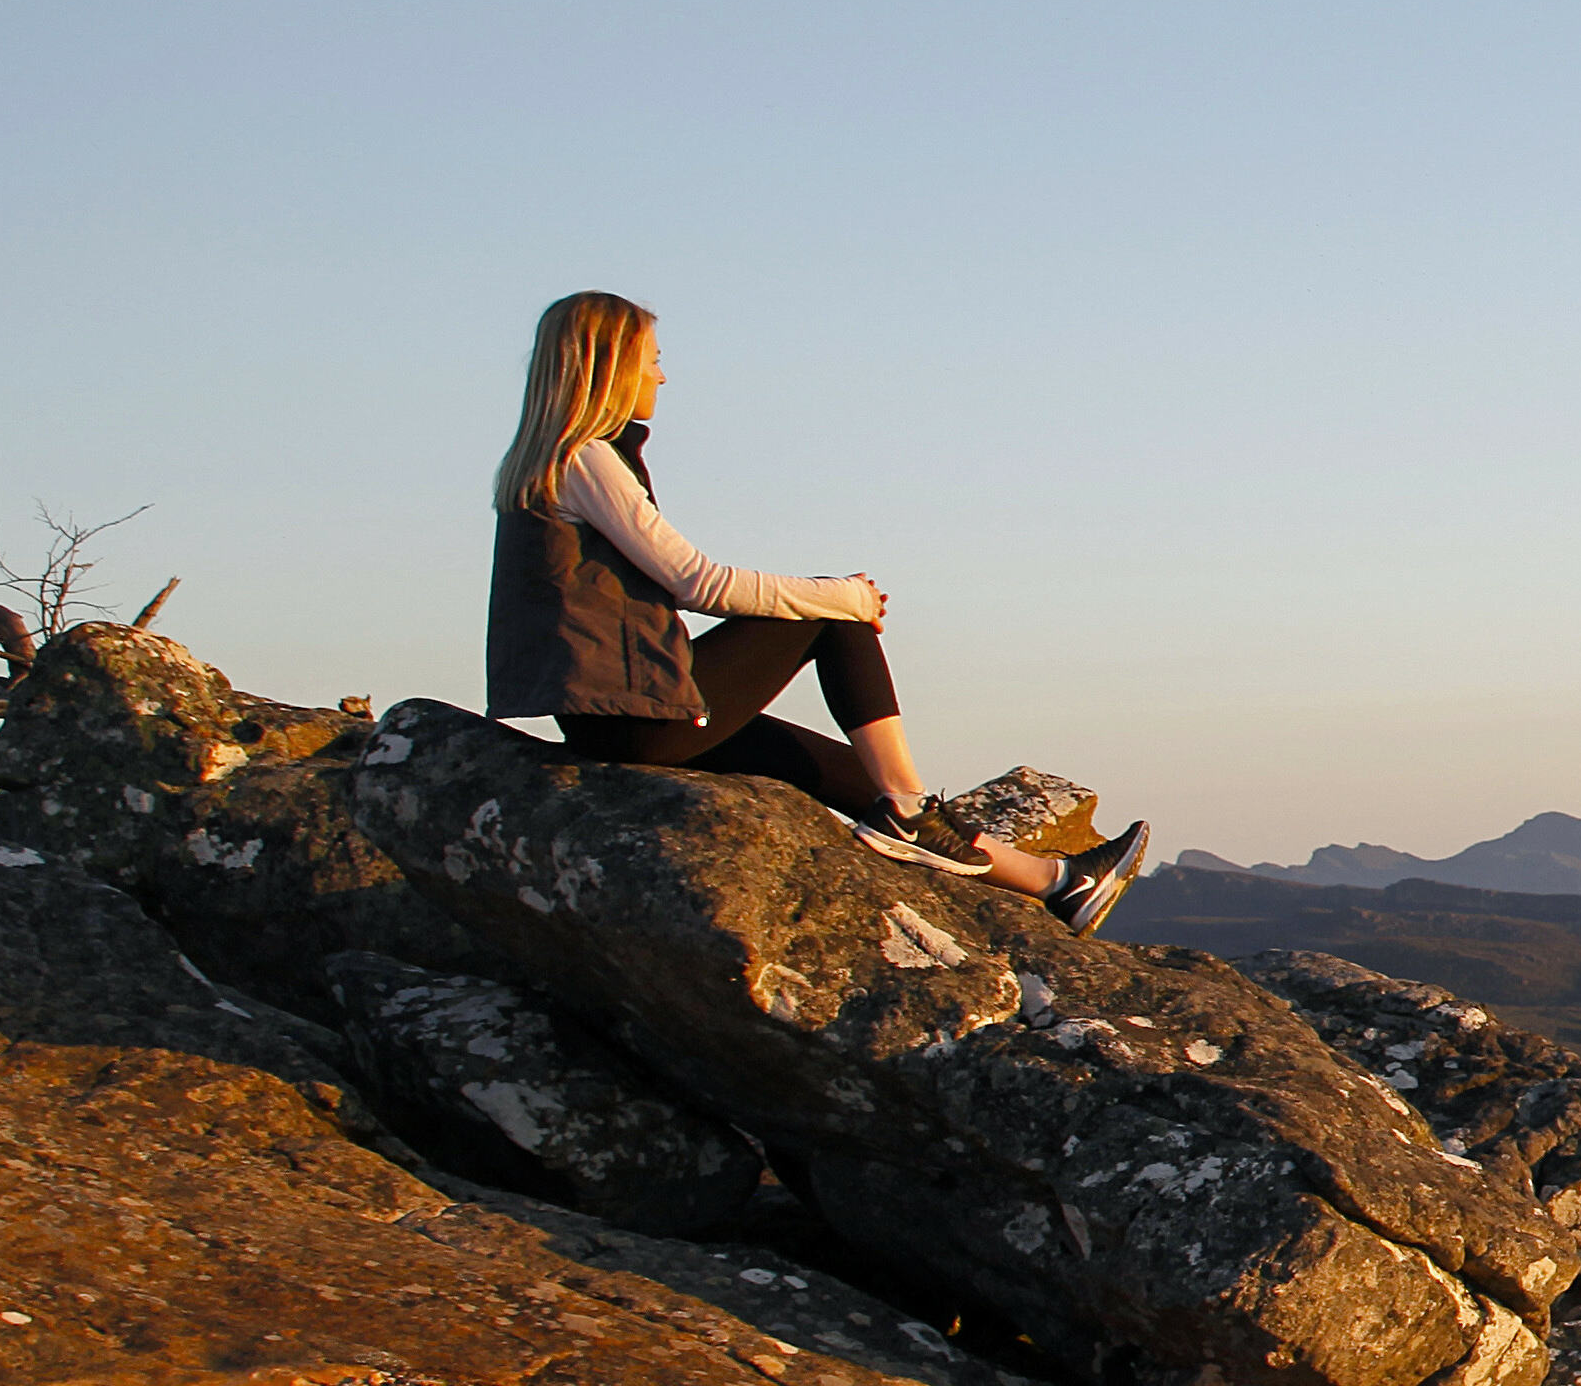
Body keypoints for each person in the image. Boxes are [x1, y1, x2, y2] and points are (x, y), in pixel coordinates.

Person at [483, 289, 1151, 933]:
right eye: (651, 358)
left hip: (614, 718)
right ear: (611, 368)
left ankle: (1057, 884)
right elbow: (697, 583)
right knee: (833, 621)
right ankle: (910, 814)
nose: (662, 375)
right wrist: (843, 595)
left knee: (845, 771)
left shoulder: (551, 465)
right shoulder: (587, 461)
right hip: (631, 720)